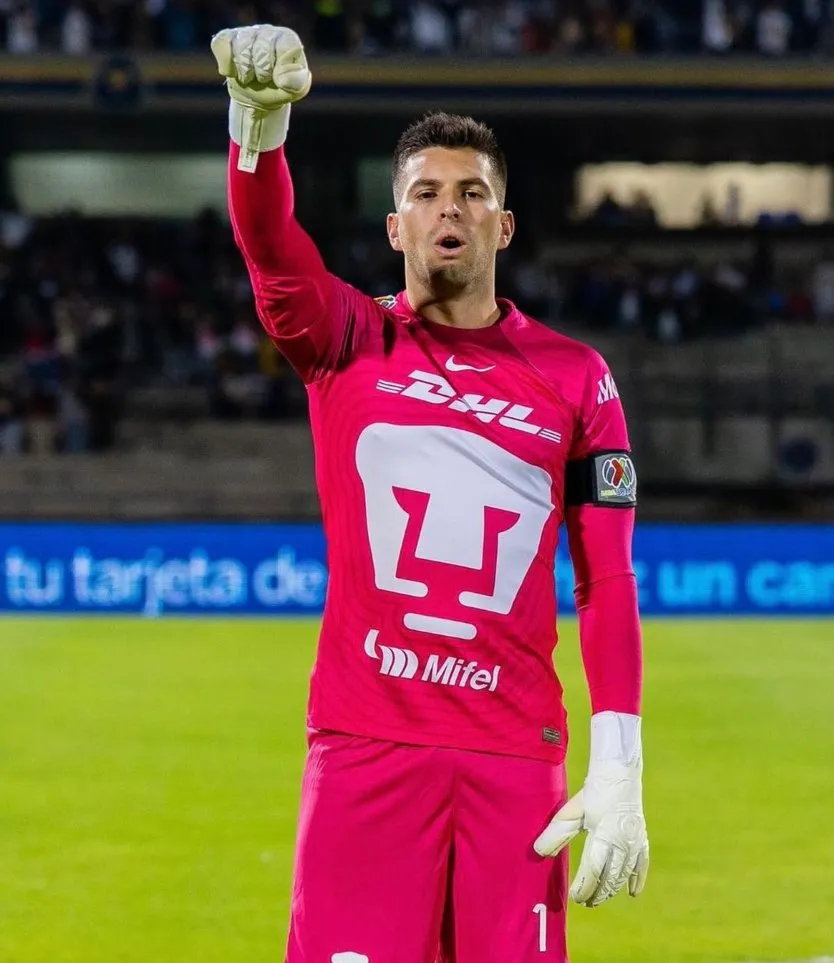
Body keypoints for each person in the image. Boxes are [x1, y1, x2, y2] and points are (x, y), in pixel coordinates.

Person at [211, 24, 649, 963]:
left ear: (505, 223)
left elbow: (607, 579)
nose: (449, 209)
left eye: (472, 193)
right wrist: (260, 127)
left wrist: (621, 763)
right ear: (395, 227)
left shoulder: (577, 377)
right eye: (424, 193)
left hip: (514, 759)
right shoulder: (344, 340)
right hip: (368, 745)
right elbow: (268, 240)